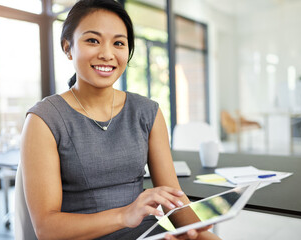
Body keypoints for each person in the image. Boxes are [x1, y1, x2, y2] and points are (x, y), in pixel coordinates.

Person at [20, 0, 221, 239]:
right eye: (92, 40)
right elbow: (46, 229)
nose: (107, 54)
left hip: (147, 233)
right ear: (68, 47)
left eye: (118, 43)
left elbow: (172, 195)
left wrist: (196, 232)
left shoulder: (147, 112)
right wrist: (124, 215)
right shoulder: (44, 119)